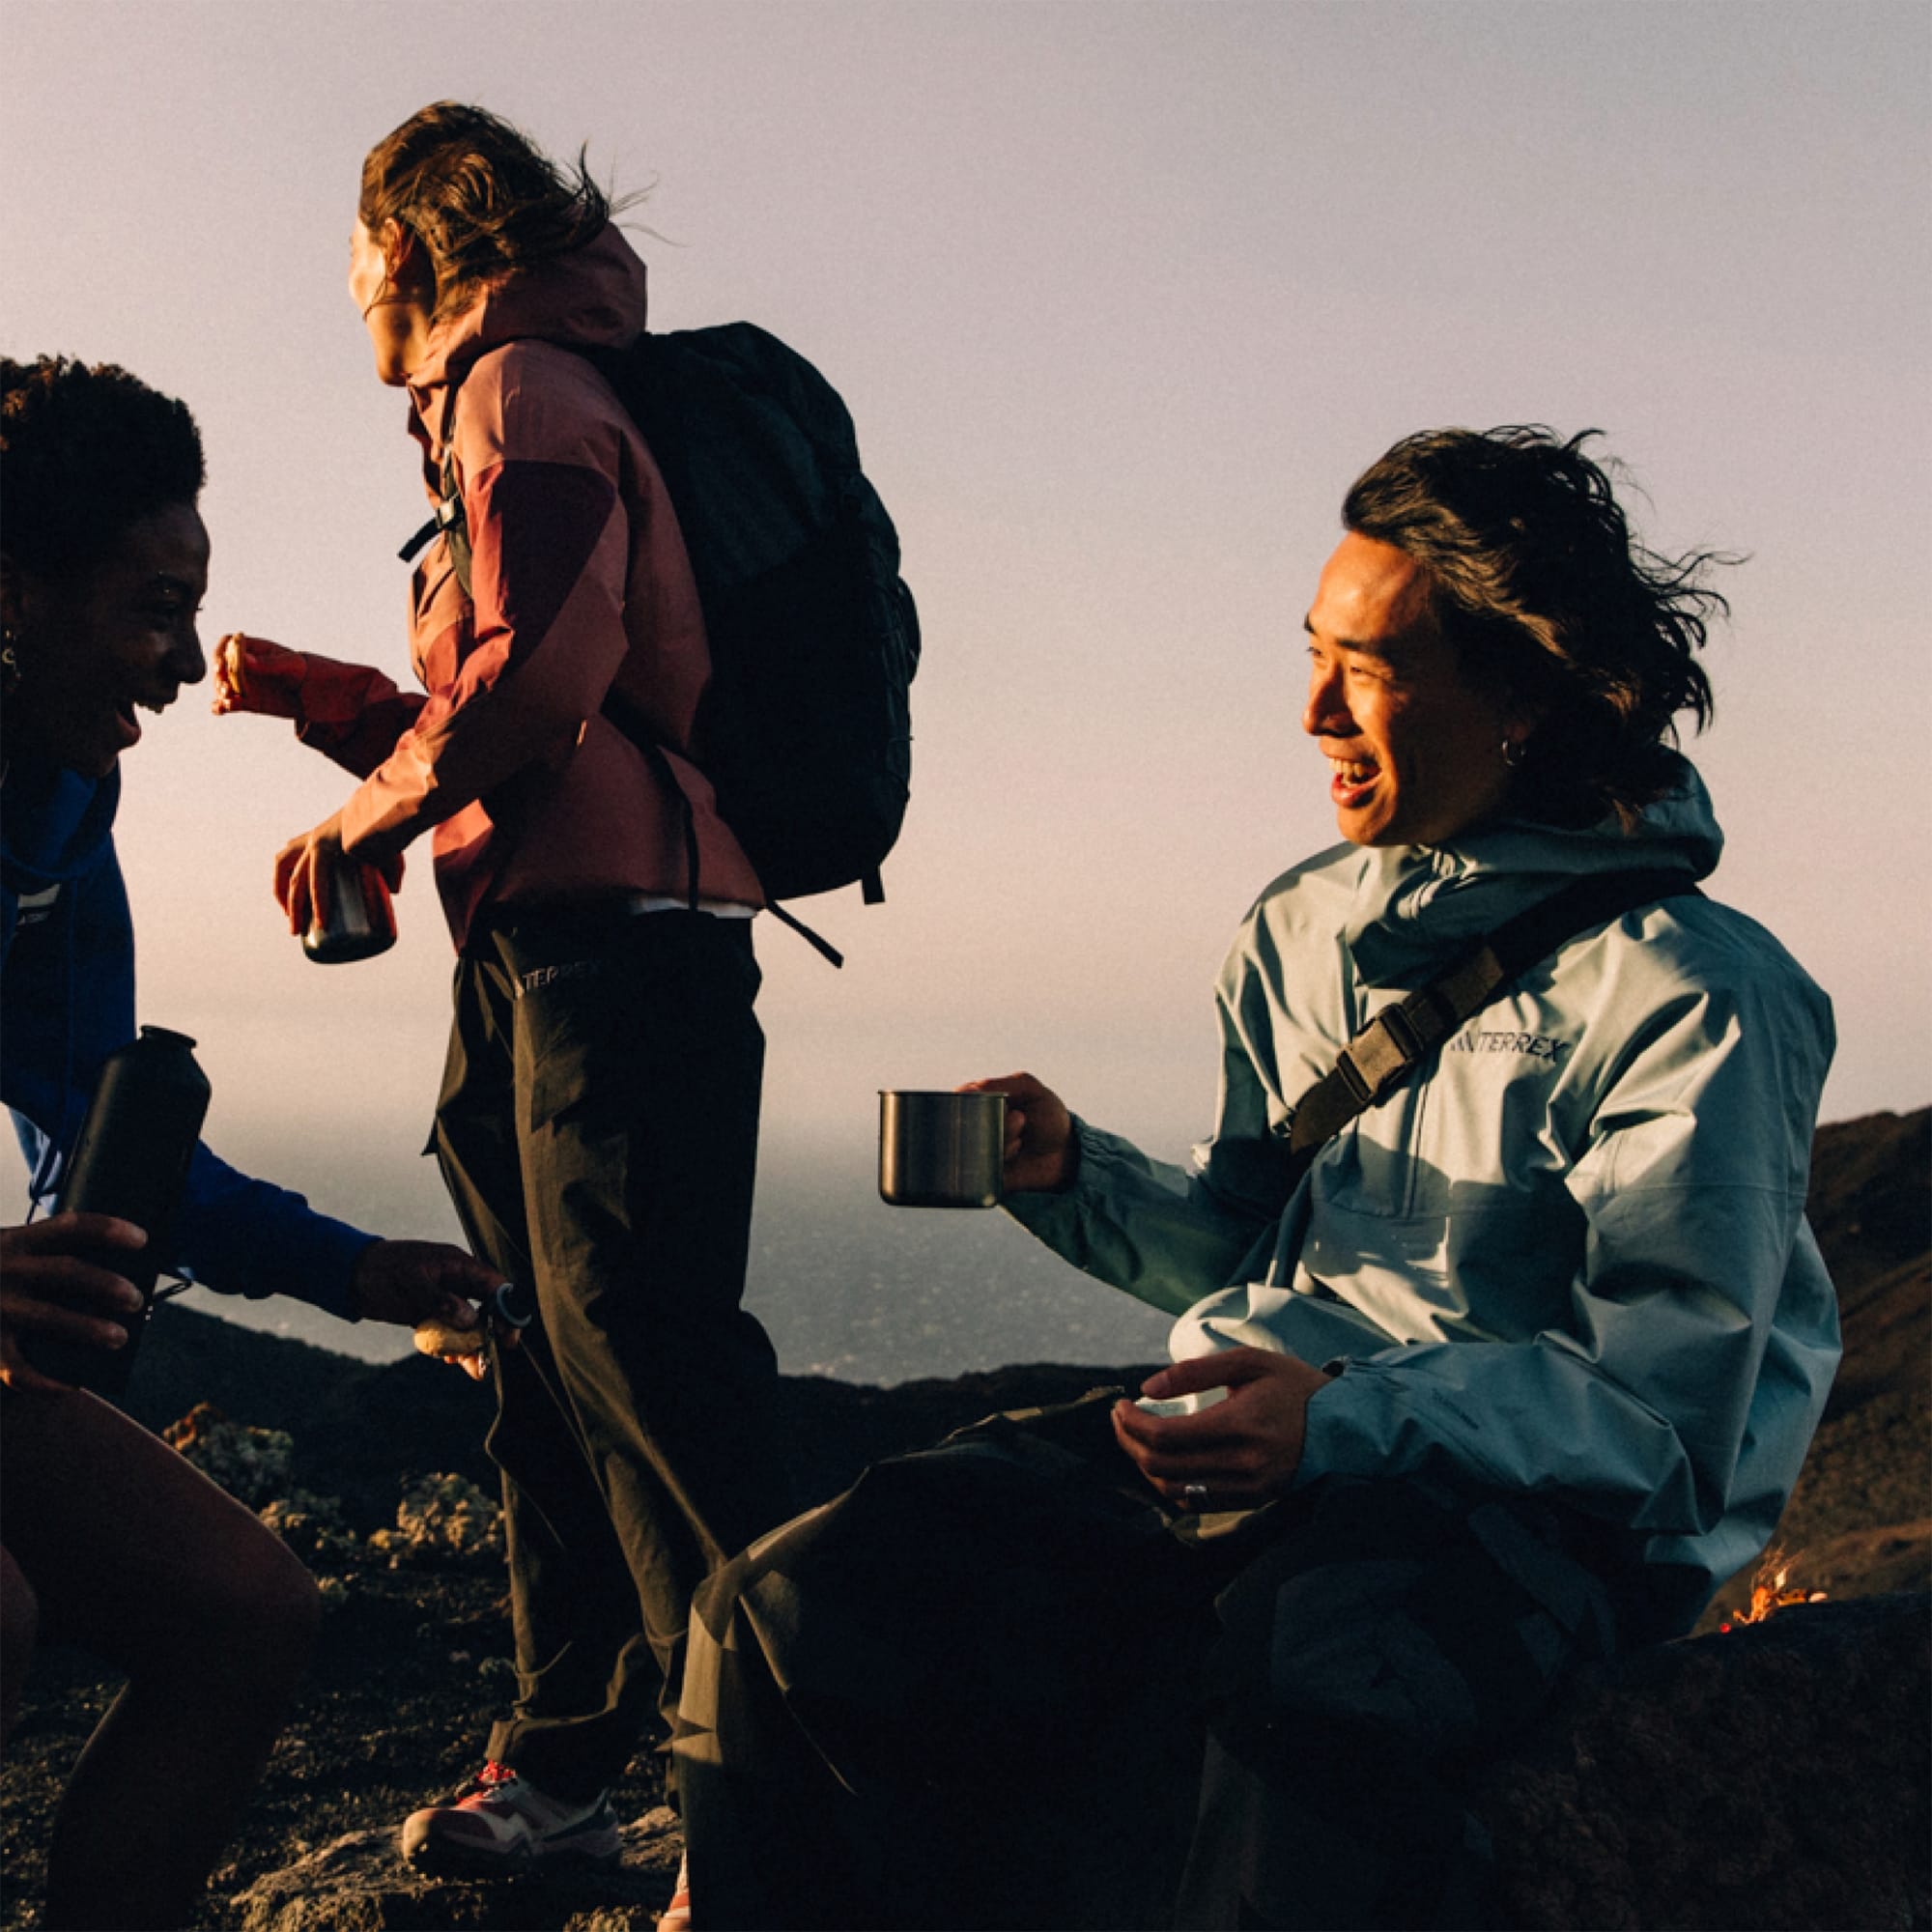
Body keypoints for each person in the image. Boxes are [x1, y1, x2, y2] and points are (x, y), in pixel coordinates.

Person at [669, 427, 1841, 1931]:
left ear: (1530, 695)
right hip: (1255, 1457)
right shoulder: (1300, 930)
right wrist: (1074, 1176)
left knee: (1298, 1713)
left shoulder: (1696, 994)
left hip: (1528, 1522)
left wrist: (1339, 1420)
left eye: (1368, 669)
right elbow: (1248, 1242)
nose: (1311, 712)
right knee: (785, 1607)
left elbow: (1662, 1424)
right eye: (1312, 655)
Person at [213, 103, 794, 1897]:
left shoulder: (522, 390)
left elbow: (546, 677)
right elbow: (528, 709)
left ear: (401, 246)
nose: (345, 288)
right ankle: (564, 1762)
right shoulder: (517, 398)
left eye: (351, 252)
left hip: (630, 946)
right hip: (547, 943)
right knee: (538, 1347)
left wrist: (367, 817)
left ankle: (768, 1792)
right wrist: (343, 712)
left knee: (639, 1359)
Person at [0, 355, 504, 1931]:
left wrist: (355, 1270)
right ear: (12, 594)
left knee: (246, 1609)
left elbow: (100, 1121)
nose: (178, 669)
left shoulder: (56, 815)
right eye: (153, 611)